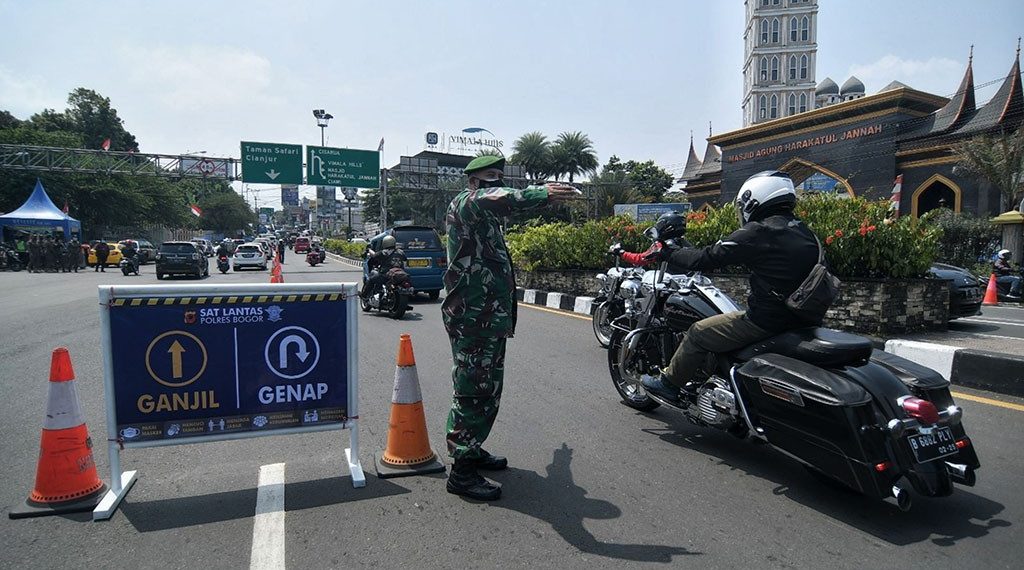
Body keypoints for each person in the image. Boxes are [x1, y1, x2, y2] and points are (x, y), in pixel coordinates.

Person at [442, 154, 578, 501]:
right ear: (473, 181)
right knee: (473, 390)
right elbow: (498, 197)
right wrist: (540, 193)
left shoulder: (487, 220)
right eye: (491, 178)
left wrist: (561, 463)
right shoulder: (466, 204)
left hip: (489, 318)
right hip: (472, 318)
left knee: (488, 389)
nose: (497, 184)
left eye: (501, 177)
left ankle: (472, 449)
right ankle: (462, 471)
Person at [628, 171, 825, 403]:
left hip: (766, 322)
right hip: (805, 320)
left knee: (698, 332)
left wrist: (668, 253)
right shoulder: (805, 232)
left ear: (755, 199)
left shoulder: (759, 231)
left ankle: (669, 384)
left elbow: (708, 257)